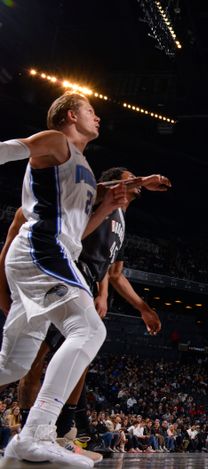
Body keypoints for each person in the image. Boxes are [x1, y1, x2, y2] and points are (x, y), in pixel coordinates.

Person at [1, 167, 168, 458]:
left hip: (87, 284)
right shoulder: (91, 199)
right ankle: (30, 431)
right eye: (127, 179)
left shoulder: (122, 220)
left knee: (80, 361)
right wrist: (142, 179)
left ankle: (63, 434)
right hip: (63, 278)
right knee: (33, 362)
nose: (134, 186)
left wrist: (135, 305)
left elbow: (113, 271)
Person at [0, 91, 128, 467]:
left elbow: (77, 231)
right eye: (91, 111)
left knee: (13, 366)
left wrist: (106, 207)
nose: (97, 117)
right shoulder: (56, 141)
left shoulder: (82, 164)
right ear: (71, 115)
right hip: (43, 250)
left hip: (53, 252)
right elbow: (9, 149)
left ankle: (34, 435)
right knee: (89, 330)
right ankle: (36, 434)